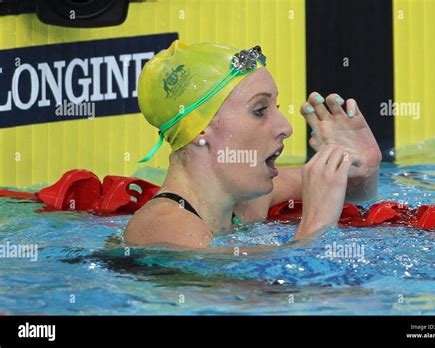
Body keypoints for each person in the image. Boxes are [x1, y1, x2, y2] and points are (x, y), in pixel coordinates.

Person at [124, 40, 382, 249]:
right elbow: (268, 301)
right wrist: (316, 226)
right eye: (260, 110)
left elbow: (349, 194)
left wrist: (364, 166)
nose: (286, 128)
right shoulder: (167, 228)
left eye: (276, 108)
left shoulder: (248, 202)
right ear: (199, 129)